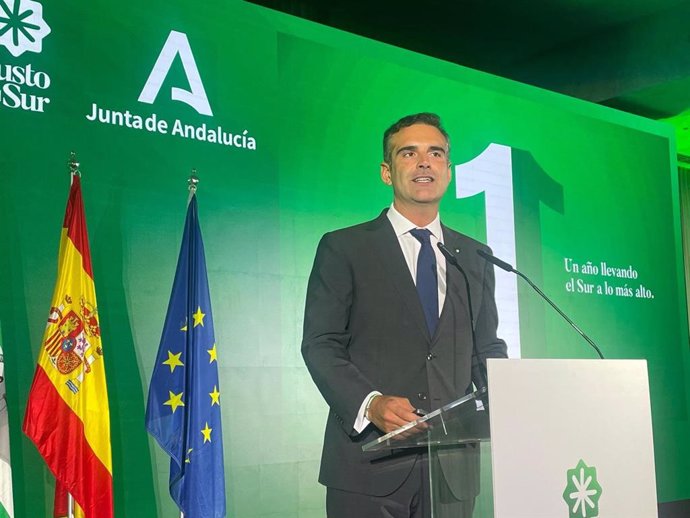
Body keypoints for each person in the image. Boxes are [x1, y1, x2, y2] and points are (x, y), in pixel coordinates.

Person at [301, 113, 507, 518]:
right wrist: (370, 403)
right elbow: (321, 345)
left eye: (435, 153)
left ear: (448, 171)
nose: (424, 162)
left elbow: (486, 348)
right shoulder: (345, 249)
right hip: (368, 469)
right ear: (386, 172)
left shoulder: (476, 257)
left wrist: (514, 395)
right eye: (408, 153)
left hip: (453, 473)